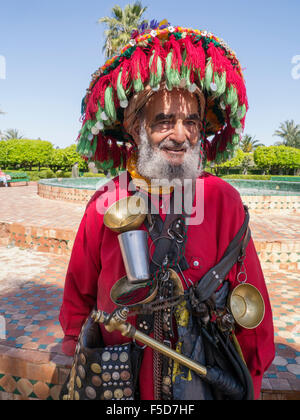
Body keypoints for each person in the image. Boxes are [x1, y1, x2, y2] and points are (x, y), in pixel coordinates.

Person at [59, 21, 275, 400]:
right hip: (118, 386)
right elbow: (78, 298)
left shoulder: (223, 200)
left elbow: (251, 307)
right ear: (134, 127)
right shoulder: (104, 202)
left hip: (206, 384)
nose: (181, 134)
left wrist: (250, 381)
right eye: (163, 121)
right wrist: (76, 352)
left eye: (191, 121)